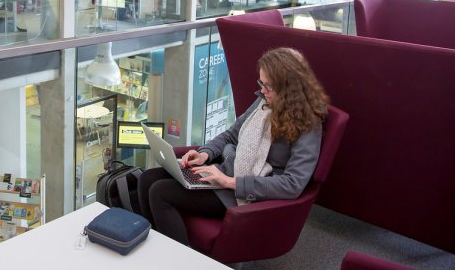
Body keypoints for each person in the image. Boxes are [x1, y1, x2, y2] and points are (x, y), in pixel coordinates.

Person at [138, 47, 328, 246]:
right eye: (261, 83)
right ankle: (152, 248)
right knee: (147, 178)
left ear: (289, 88)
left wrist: (230, 182)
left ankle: (178, 261)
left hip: (243, 193)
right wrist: (205, 154)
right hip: (226, 173)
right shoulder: (265, 102)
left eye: (268, 86)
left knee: (160, 192)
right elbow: (231, 134)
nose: (262, 91)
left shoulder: (308, 125)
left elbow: (292, 185)